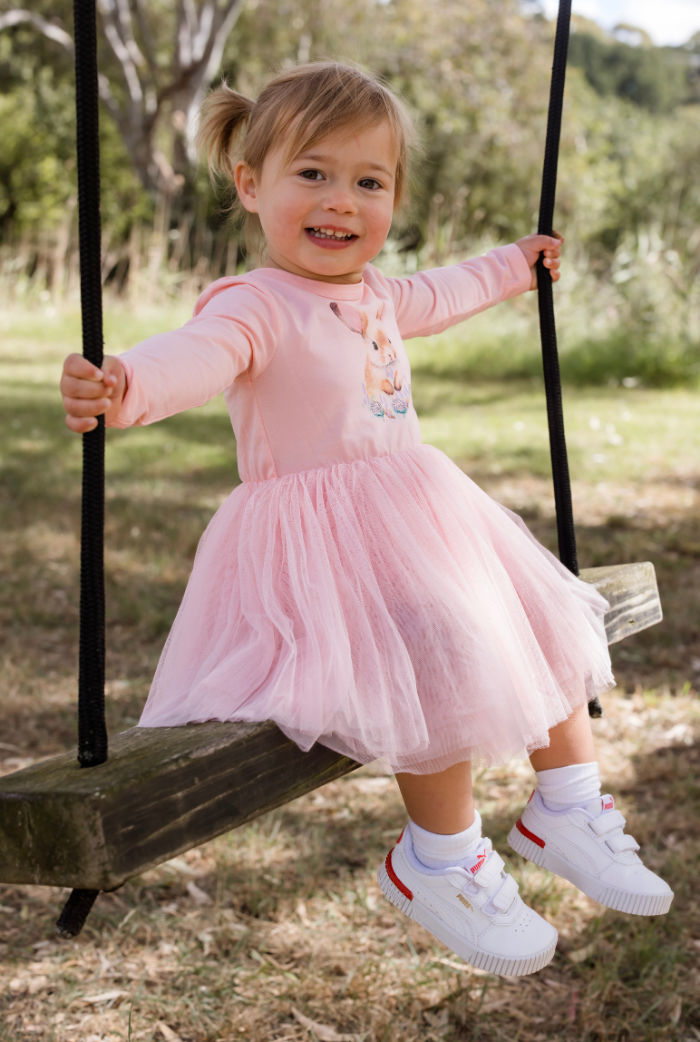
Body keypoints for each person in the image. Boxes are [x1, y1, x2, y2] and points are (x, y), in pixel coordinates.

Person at [60, 61, 673, 976]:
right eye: (313, 173)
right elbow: (194, 356)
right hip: (318, 554)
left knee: (537, 610)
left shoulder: (380, 293)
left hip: (420, 518)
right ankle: (440, 857)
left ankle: (569, 804)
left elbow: (452, 288)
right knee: (436, 644)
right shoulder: (255, 303)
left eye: (369, 181)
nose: (341, 200)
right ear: (251, 183)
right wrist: (126, 385)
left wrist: (516, 264)